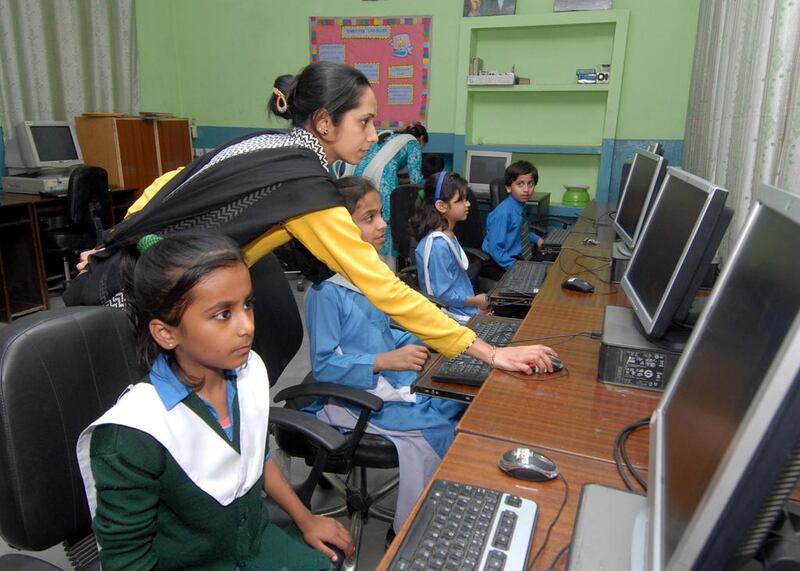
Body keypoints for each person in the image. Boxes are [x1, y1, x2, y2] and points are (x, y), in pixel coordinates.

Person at [67, 61, 557, 376]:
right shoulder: (307, 189)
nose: (372, 135)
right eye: (364, 122)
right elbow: (385, 289)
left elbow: (169, 182)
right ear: (325, 123)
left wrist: (116, 237)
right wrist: (488, 352)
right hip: (143, 305)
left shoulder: (266, 145)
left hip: (131, 277)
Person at [76, 233, 354, 570]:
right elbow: (126, 561)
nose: (247, 326)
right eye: (223, 314)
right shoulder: (133, 435)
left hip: (256, 543)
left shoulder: (247, 372)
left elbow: (254, 456)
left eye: (247, 304)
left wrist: (305, 518)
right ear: (166, 333)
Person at [304, 176, 466, 535]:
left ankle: (435, 504)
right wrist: (384, 361)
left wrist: (419, 337)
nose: (382, 225)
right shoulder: (326, 292)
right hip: (351, 395)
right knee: (431, 430)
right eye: (369, 218)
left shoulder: (369, 275)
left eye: (381, 215)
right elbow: (325, 365)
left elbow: (381, 330)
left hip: (386, 380)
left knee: (455, 403)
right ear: (340, 230)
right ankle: (407, 528)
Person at [411, 171, 491, 323]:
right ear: (441, 206)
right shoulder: (438, 246)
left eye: (467, 199)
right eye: (460, 200)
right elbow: (443, 296)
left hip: (462, 309)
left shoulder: (447, 235)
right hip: (452, 318)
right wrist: (476, 301)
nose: (467, 204)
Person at [354, 123, 428, 264]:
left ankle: (364, 259)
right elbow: (415, 179)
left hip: (362, 175)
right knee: (384, 220)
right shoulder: (413, 143)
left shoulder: (391, 138)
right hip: (383, 179)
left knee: (365, 218)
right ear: (422, 138)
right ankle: (385, 263)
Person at [482, 160, 544, 278]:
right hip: (499, 263)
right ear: (509, 188)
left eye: (530, 184)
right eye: (520, 184)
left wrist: (538, 239)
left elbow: (519, 231)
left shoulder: (519, 206)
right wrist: (519, 269)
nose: (526, 189)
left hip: (514, 257)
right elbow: (496, 250)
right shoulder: (503, 213)